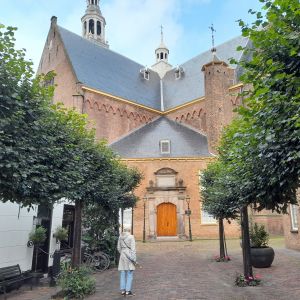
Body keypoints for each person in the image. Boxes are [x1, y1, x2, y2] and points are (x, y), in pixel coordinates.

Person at [117, 225, 136, 296]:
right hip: (129, 255)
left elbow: (118, 247)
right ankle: (128, 290)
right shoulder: (131, 237)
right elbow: (133, 249)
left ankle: (122, 290)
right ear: (129, 230)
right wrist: (134, 259)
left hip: (122, 255)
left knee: (122, 272)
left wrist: (122, 253)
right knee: (129, 272)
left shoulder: (120, 237)